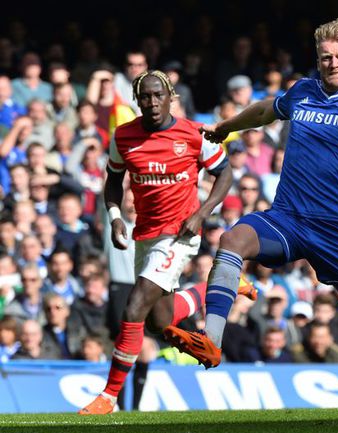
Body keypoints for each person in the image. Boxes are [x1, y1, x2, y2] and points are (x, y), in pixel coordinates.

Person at [164, 18, 338, 422]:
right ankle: (211, 340)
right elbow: (267, 109)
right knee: (232, 241)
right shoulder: (303, 91)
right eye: (326, 57)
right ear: (318, 60)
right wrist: (227, 128)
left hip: (337, 234)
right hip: (288, 219)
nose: (333, 63)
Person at [79, 70, 254, 415]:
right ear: (137, 100)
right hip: (145, 233)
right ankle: (227, 284)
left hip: (180, 233)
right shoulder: (124, 136)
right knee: (159, 322)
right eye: (145, 96)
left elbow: (225, 172)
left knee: (134, 307)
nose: (152, 102)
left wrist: (202, 213)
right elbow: (113, 180)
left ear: (171, 97)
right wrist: (115, 217)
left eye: (158, 95)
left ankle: (108, 397)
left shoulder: (193, 133)